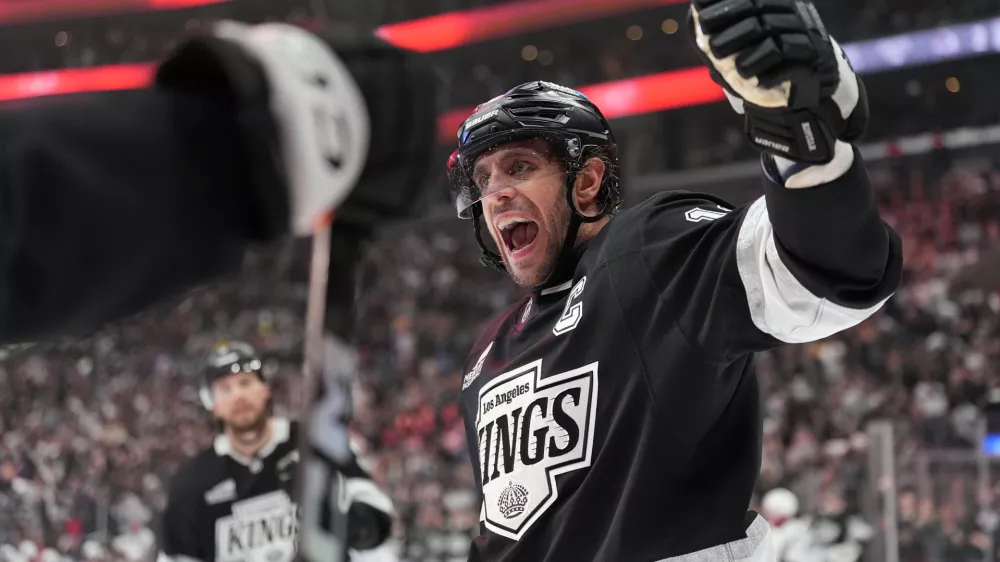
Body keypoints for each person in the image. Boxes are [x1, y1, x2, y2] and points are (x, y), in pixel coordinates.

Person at [445, 1, 902, 561]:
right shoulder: (483, 356)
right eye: (483, 180)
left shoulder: (645, 251)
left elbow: (827, 271)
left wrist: (803, 147)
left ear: (587, 182)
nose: (495, 196)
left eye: (519, 168)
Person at [158, 341, 394, 562]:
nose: (238, 396)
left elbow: (378, 520)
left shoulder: (316, 443)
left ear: (265, 389)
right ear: (212, 403)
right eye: (225, 389)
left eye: (246, 383)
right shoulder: (191, 483)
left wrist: (346, 520)